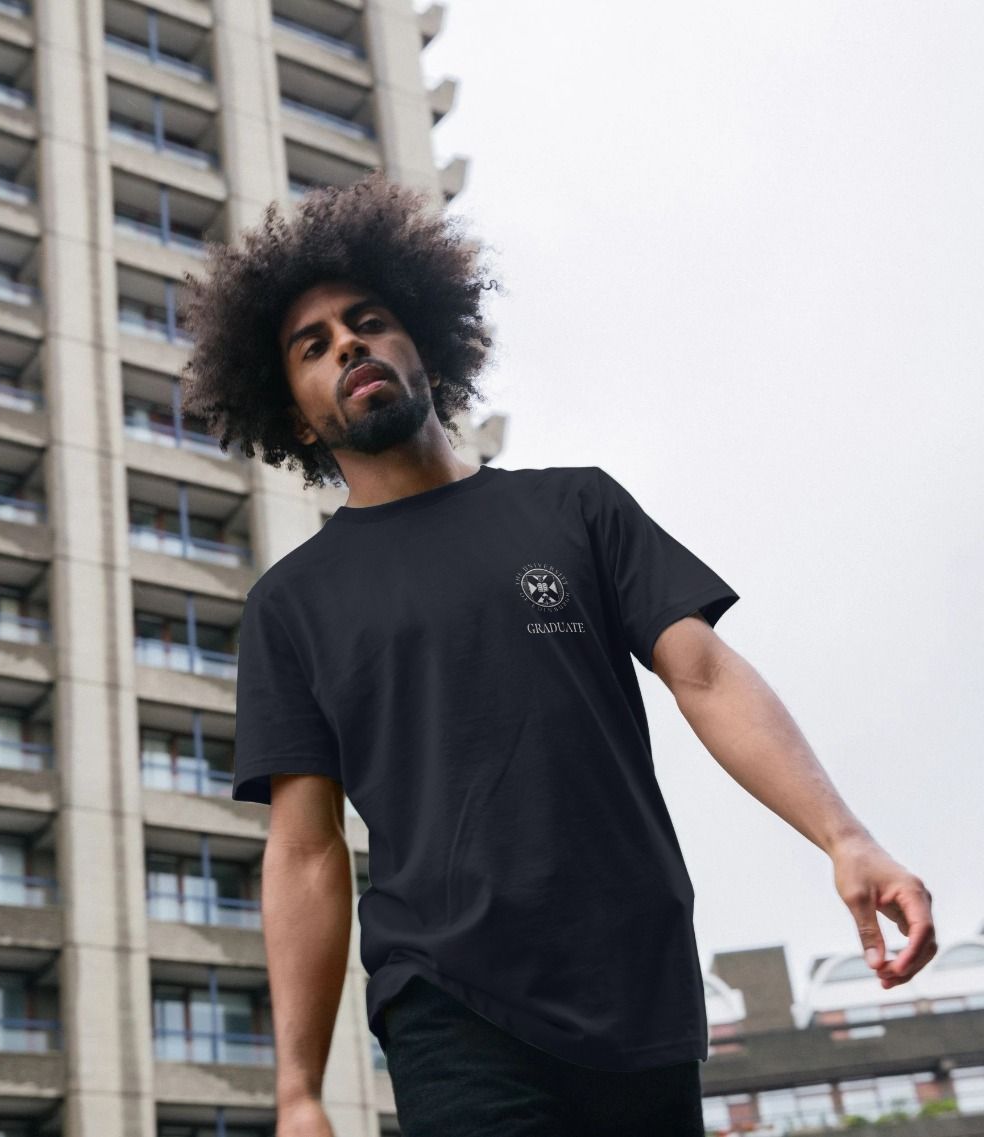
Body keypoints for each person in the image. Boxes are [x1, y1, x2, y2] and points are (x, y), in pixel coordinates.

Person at [179, 172, 938, 1137]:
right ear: (293, 412)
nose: (348, 346)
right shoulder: (292, 605)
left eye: (367, 321)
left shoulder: (575, 508)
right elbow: (305, 846)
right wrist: (298, 1091)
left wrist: (845, 837)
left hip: (641, 981)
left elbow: (704, 673)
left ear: (423, 342)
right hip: (451, 1004)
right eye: (313, 346)